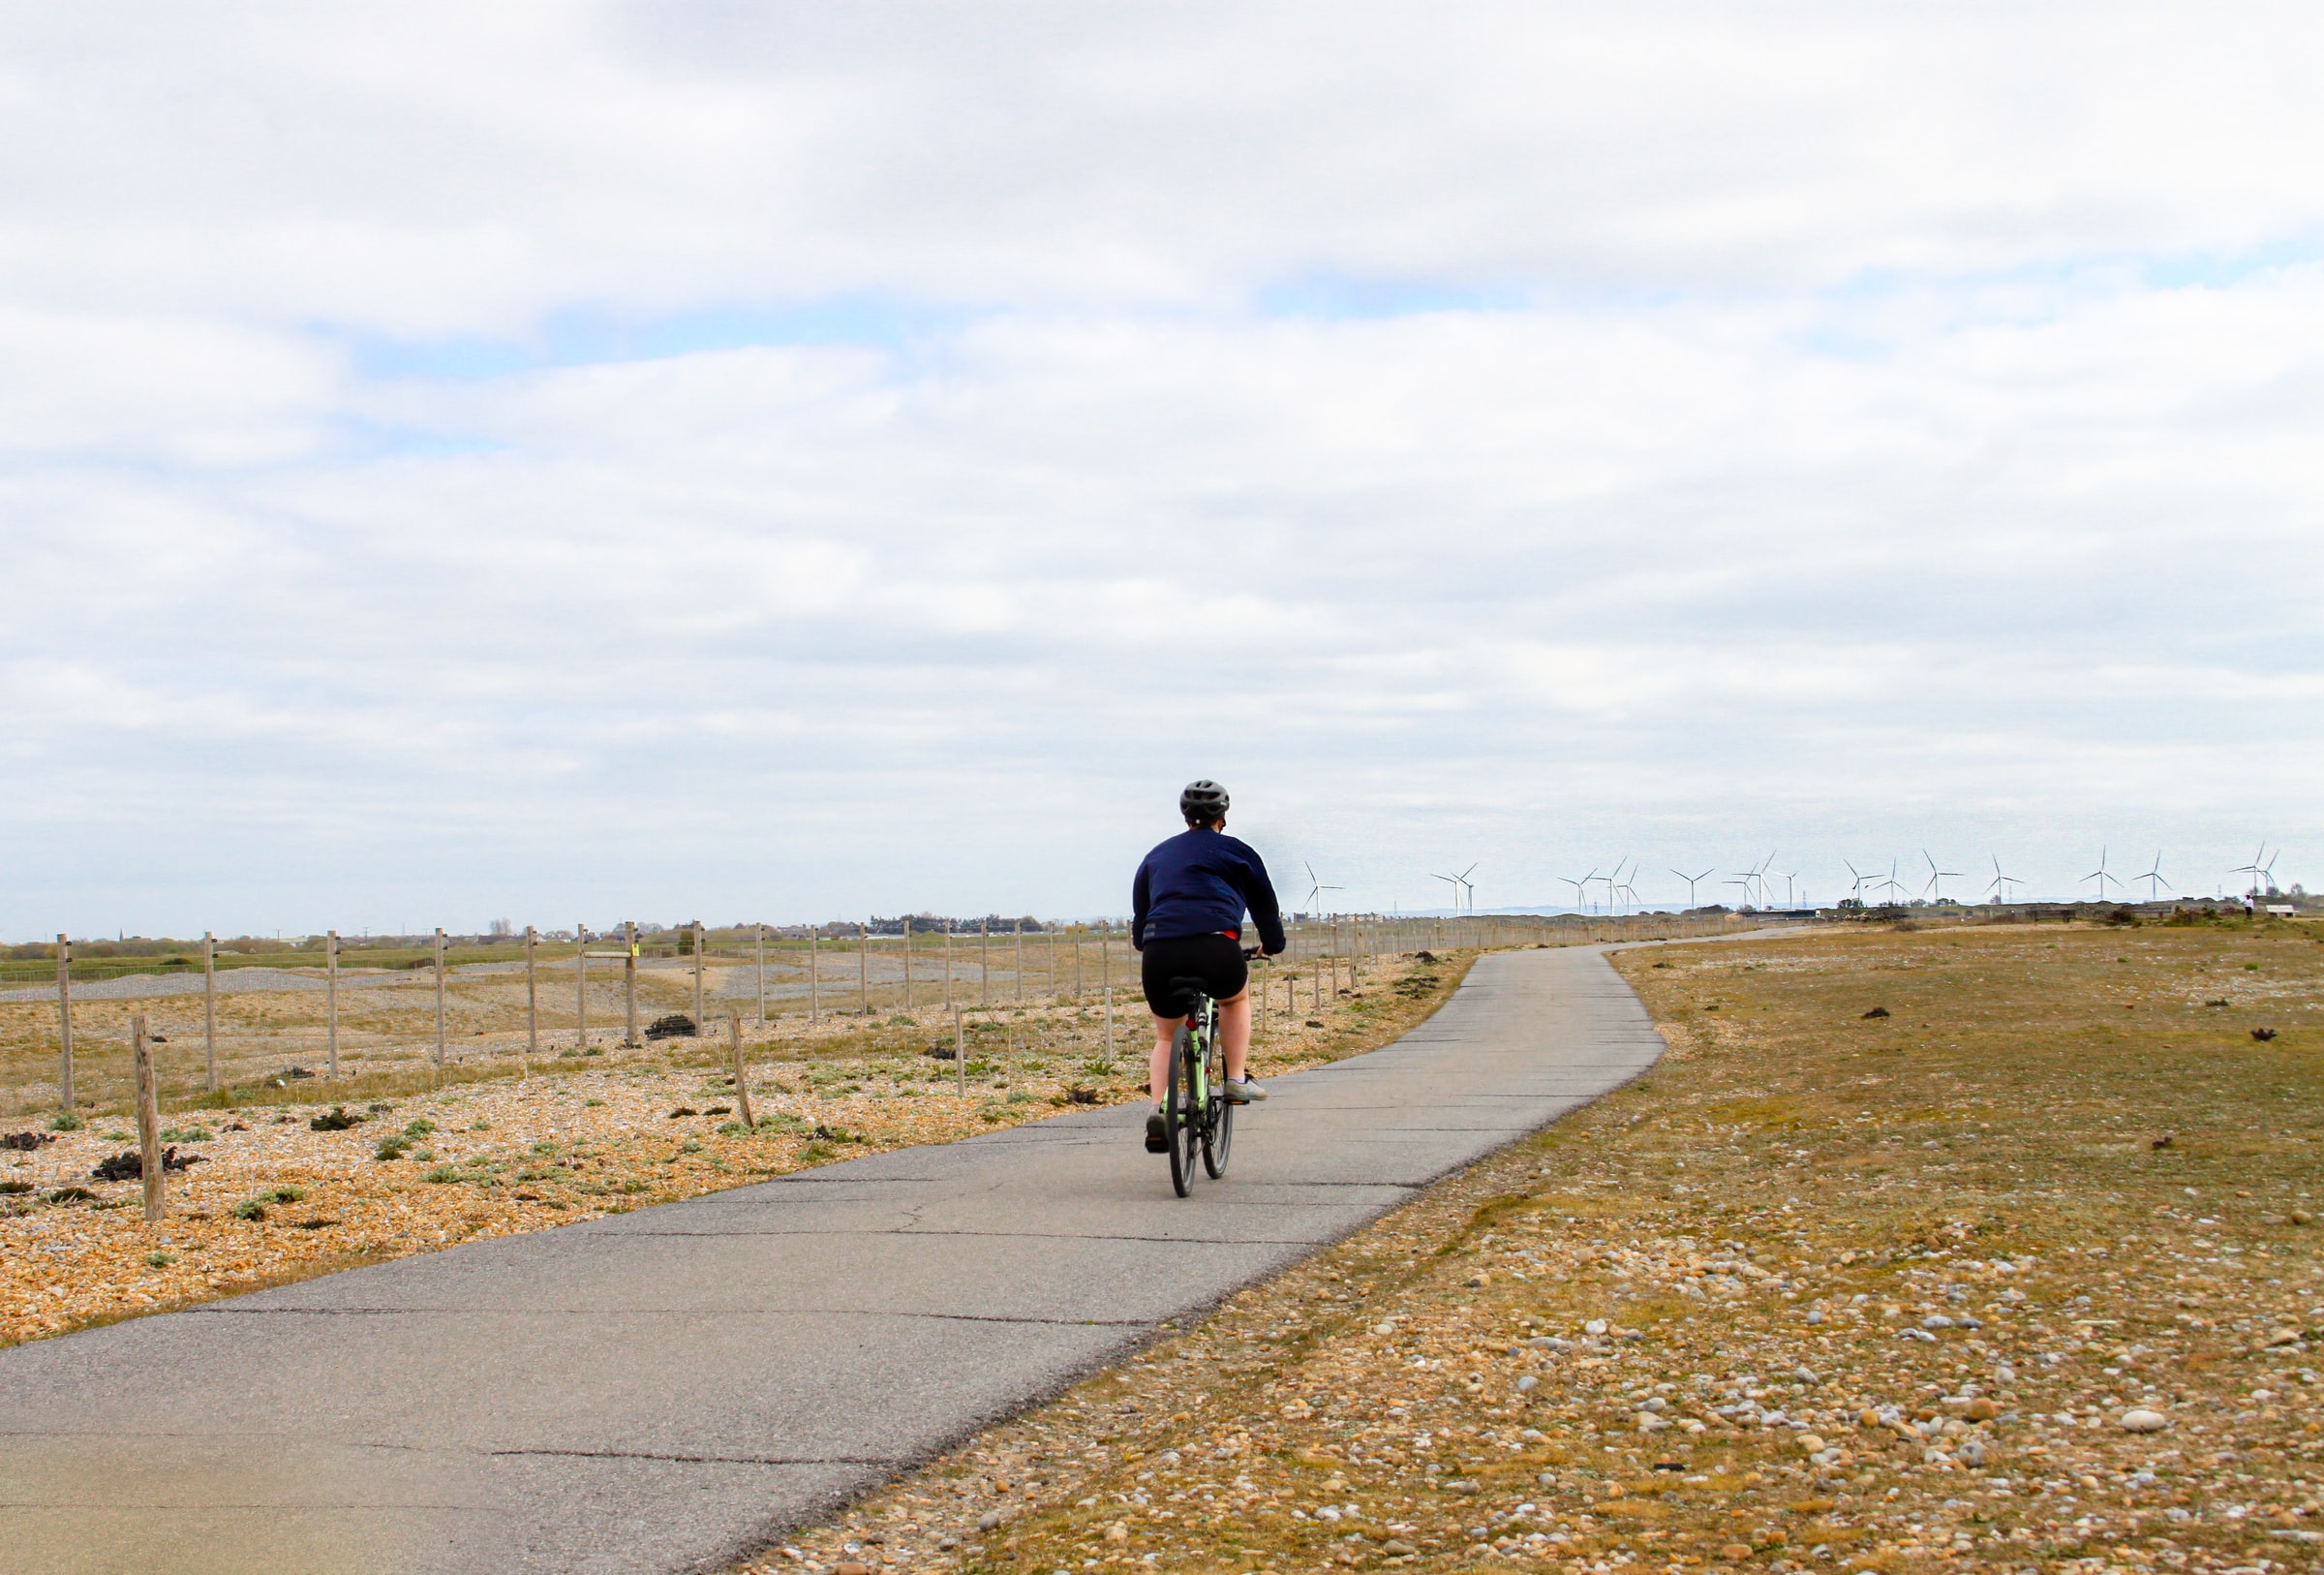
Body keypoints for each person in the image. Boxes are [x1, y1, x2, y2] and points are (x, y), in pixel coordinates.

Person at [1130, 780, 1286, 1152]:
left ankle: (1160, 1108)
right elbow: (1265, 906)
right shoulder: (1238, 852)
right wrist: (1273, 945)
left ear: (1185, 816)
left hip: (1159, 950)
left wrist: (1146, 942)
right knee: (1234, 999)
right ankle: (1235, 1079)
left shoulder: (1156, 855)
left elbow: (1141, 913)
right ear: (1224, 817)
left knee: (1167, 1036)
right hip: (1217, 944)